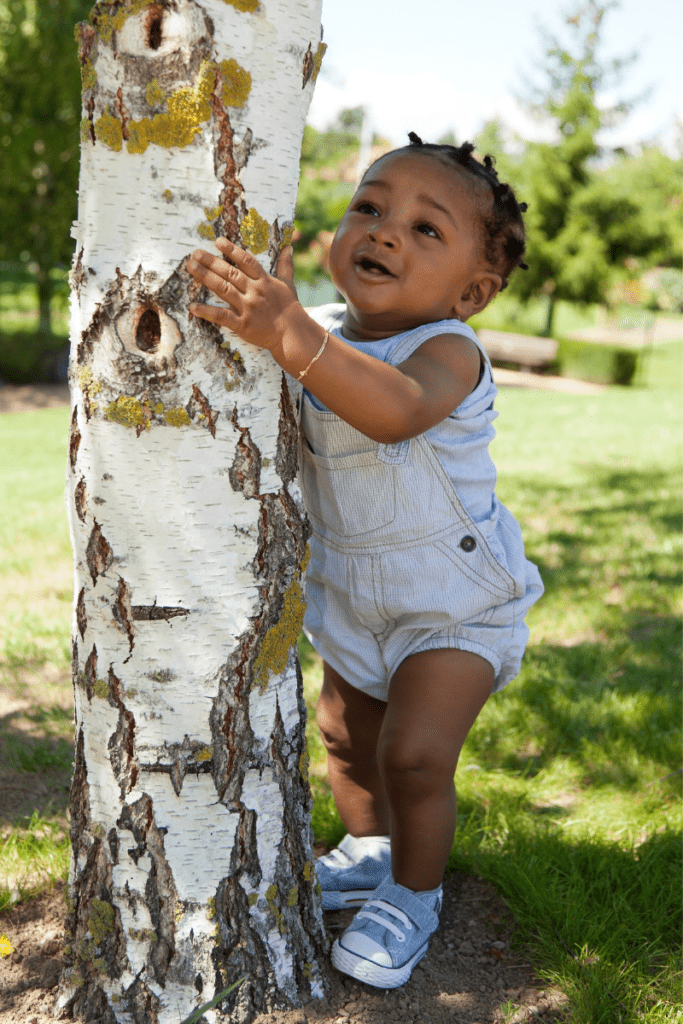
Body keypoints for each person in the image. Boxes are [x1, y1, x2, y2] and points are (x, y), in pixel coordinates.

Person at [187, 133, 544, 989]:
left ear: (473, 290)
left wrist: (291, 334)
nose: (385, 232)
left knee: (415, 755)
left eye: (427, 229)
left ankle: (413, 897)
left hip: (453, 603)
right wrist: (278, 320)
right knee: (346, 739)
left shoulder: (449, 352)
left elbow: (395, 410)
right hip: (351, 593)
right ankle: (373, 852)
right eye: (370, 208)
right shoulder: (313, 324)